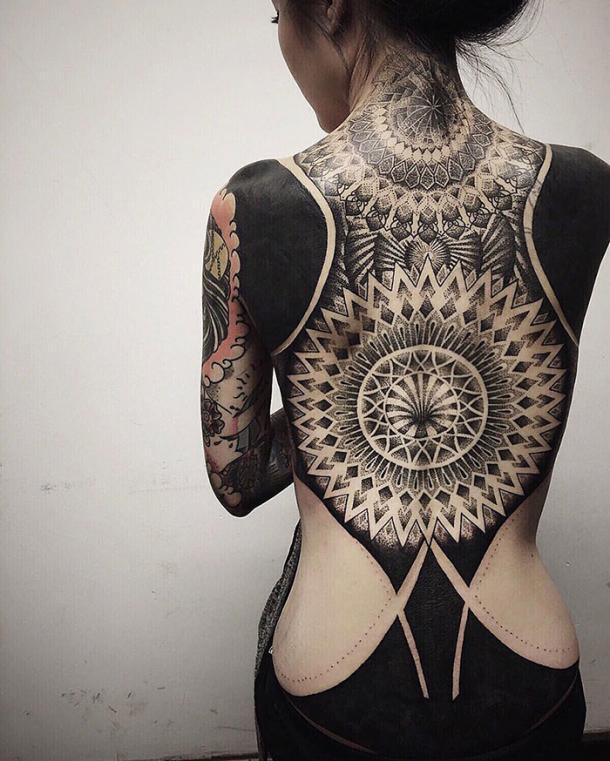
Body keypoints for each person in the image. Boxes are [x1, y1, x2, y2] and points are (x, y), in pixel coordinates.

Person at [200, 1, 610, 759]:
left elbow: (237, 474)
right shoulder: (581, 185)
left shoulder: (250, 207)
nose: (282, 40)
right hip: (533, 676)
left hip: (332, 683)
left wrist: (337, 395)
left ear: (329, 4)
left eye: (276, 14)